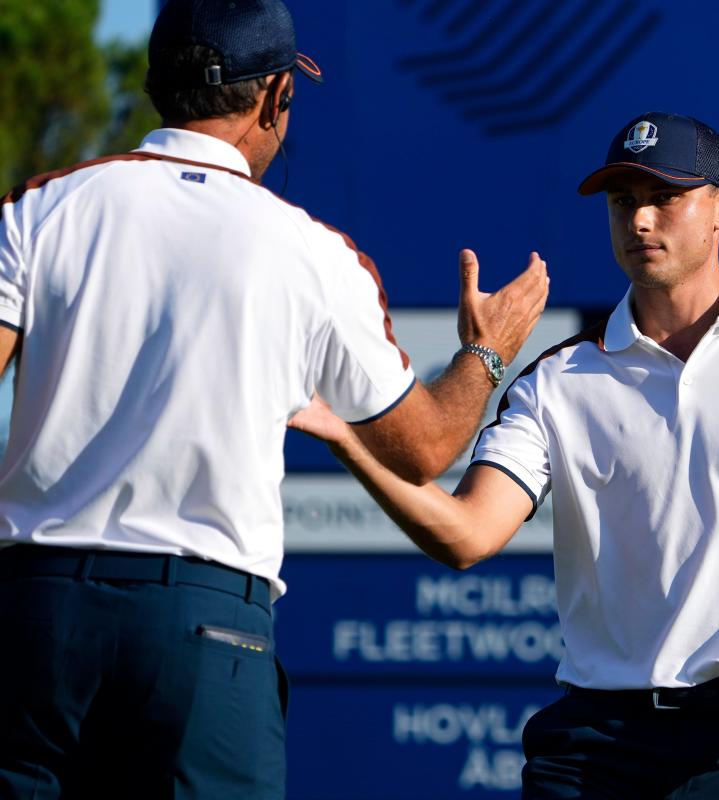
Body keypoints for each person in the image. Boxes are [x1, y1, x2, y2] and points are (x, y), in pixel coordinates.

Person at [290, 111, 719, 799]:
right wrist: (347, 436)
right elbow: (467, 535)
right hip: (599, 743)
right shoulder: (557, 380)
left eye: (664, 198)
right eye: (623, 201)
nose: (639, 221)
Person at [0, 0, 548, 797]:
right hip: (205, 623)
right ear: (274, 98)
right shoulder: (312, 253)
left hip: (37, 614)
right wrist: (486, 352)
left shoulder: (42, 207)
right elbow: (427, 447)